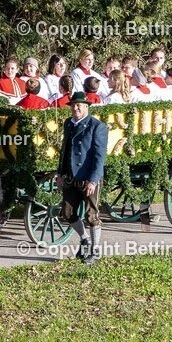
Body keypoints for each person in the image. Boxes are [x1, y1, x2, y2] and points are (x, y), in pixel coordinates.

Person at [56, 92, 108, 265]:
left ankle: (95, 251)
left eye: (79, 105)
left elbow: (99, 157)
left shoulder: (97, 126)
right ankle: (84, 239)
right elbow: (64, 151)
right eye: (73, 105)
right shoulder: (68, 124)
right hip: (71, 176)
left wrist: (93, 180)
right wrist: (60, 174)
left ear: (87, 107)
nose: (76, 108)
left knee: (91, 215)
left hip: (88, 178)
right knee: (67, 212)